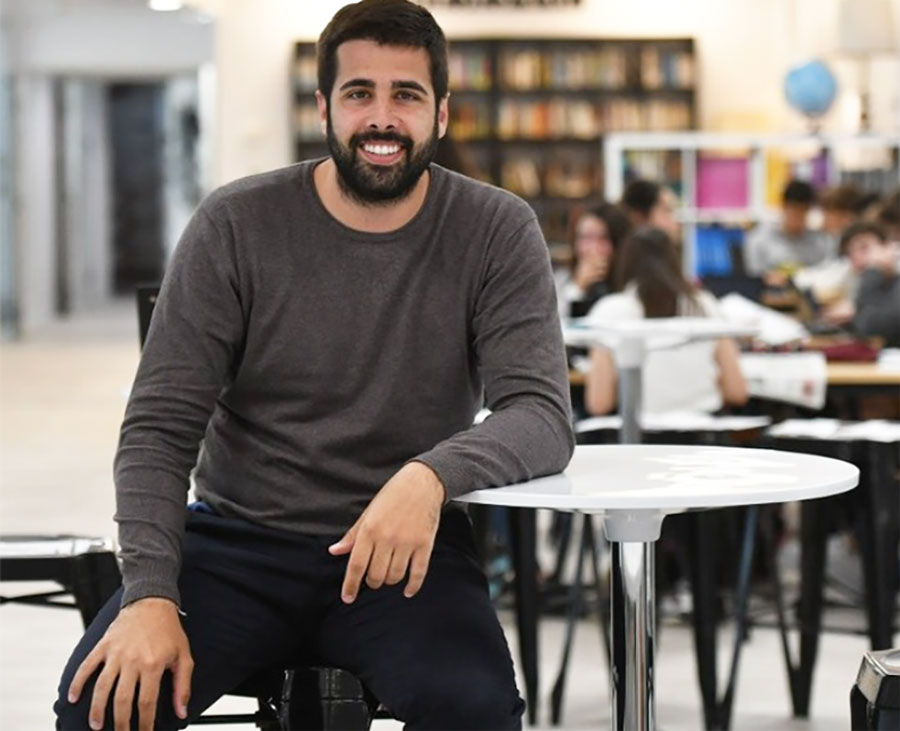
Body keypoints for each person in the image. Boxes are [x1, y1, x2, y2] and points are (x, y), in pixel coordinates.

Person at [54, 2, 574, 729]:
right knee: (101, 710)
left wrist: (429, 477)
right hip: (237, 543)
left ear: (443, 114)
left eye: (407, 95)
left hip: (403, 556)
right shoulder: (235, 224)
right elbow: (159, 428)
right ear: (324, 105)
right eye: (360, 93)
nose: (382, 118)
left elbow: (542, 415)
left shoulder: (495, 228)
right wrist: (147, 593)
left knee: (476, 709)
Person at [583, 227, 748, 415]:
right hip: (702, 434)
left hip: (638, 436)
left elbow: (599, 403)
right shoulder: (704, 304)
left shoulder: (610, 311)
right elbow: (736, 391)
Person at [743, 179, 834, 280]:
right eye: (793, 210)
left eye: (802, 211)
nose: (797, 217)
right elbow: (754, 276)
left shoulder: (820, 242)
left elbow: (826, 275)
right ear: (783, 207)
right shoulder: (760, 239)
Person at [556, 201, 631, 319]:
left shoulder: (631, 285)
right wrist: (577, 287)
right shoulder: (561, 282)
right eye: (585, 238)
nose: (593, 249)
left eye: (603, 238)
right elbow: (551, 324)